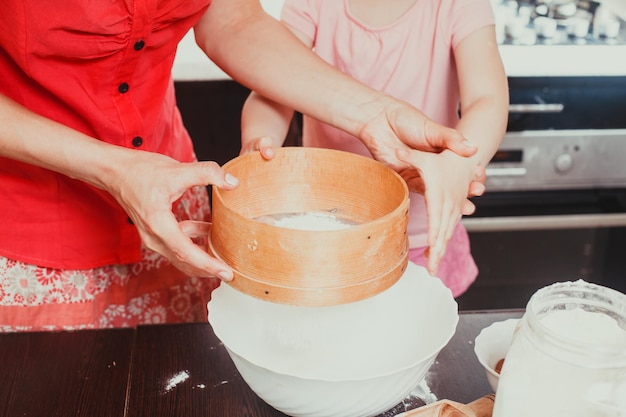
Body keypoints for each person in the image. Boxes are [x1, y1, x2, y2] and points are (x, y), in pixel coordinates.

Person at [0, 0, 479, 332]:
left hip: (169, 200)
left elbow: (231, 20)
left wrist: (372, 114)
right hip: (30, 234)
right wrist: (110, 168)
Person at [240, 0, 509, 297]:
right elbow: (274, 85)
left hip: (419, 237)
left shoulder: (457, 5)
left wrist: (459, 162)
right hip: (327, 233)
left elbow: (487, 99)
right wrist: (259, 137)